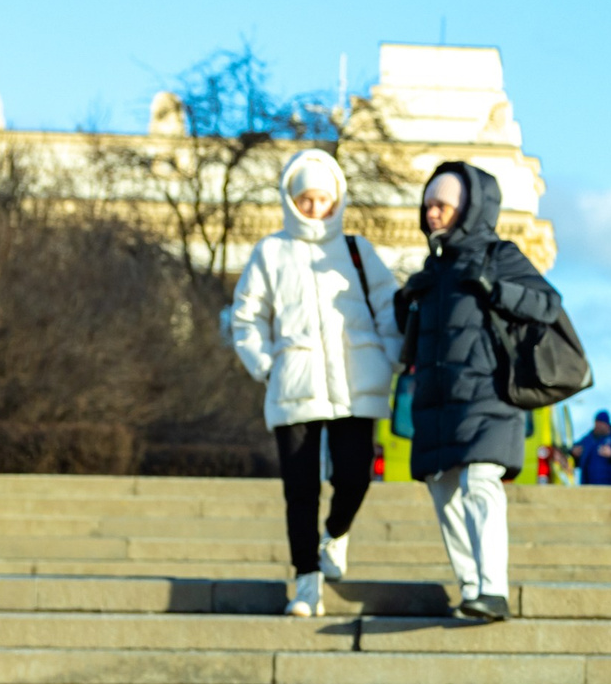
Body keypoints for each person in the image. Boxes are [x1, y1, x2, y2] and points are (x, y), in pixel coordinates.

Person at [226, 150, 394, 618]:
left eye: (323, 198)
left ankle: (336, 534)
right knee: (300, 489)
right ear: (291, 199)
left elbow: (389, 307)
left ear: (338, 197)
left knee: (355, 476)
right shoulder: (272, 251)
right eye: (306, 199)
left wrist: (391, 356)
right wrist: (265, 363)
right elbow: (247, 316)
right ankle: (305, 582)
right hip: (294, 384)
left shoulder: (359, 251)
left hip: (356, 383)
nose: (315, 208)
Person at [395, 161, 560, 623]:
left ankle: (493, 588)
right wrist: (406, 301)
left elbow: (547, 303)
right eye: (428, 205)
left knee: (479, 482)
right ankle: (471, 587)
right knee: (444, 489)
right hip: (437, 401)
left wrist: (494, 289)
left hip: (489, 396)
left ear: (467, 207)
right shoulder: (431, 269)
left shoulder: (498, 255)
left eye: (442, 205)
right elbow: (410, 344)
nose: (432, 213)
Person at [574, 411, 611, 485]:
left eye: (600, 424)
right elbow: (573, 450)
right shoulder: (589, 438)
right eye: (596, 423)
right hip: (590, 488)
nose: (598, 426)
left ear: (606, 425)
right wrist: (573, 452)